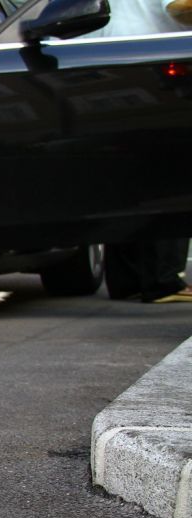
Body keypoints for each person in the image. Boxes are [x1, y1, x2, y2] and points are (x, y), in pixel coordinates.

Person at [92, 2, 192, 302]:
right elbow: (179, 7)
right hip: (154, 63)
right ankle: (163, 279)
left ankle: (127, 279)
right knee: (170, 172)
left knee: (126, 175)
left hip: (100, 65)